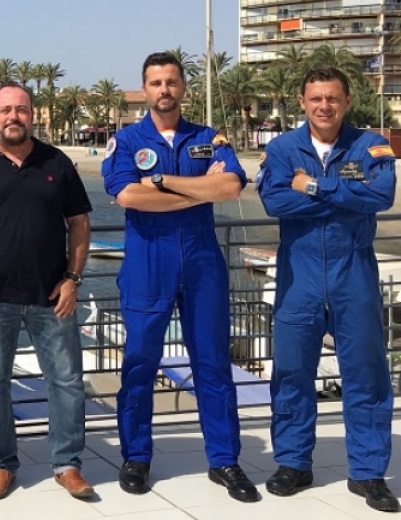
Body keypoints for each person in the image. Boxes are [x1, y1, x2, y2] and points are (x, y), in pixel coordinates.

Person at [101, 51, 259, 503]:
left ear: (184, 88)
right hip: (148, 263)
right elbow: (128, 196)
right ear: (145, 89)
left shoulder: (208, 138)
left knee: (212, 362)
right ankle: (136, 457)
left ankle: (224, 460)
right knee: (139, 362)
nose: (164, 90)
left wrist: (161, 183)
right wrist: (198, 192)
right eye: (156, 83)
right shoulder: (126, 140)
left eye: (172, 81)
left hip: (202, 262)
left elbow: (231, 185)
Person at [0, 82, 95, 501]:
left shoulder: (57, 163)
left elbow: (79, 223)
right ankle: (2, 464)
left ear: (32, 115)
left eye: (21, 109)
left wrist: (73, 278)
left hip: (52, 296)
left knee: (67, 381)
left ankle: (67, 464)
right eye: (6, 110)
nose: (14, 116)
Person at [257, 67, 398, 512]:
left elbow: (381, 197)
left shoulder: (370, 144)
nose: (324, 106)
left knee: (366, 374)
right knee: (292, 371)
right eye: (316, 98)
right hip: (298, 276)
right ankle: (294, 463)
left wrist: (315, 186)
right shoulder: (282, 149)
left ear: (347, 101)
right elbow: (275, 201)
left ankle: (368, 472)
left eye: (332, 98)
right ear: (302, 102)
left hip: (353, 272)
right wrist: (345, 195)